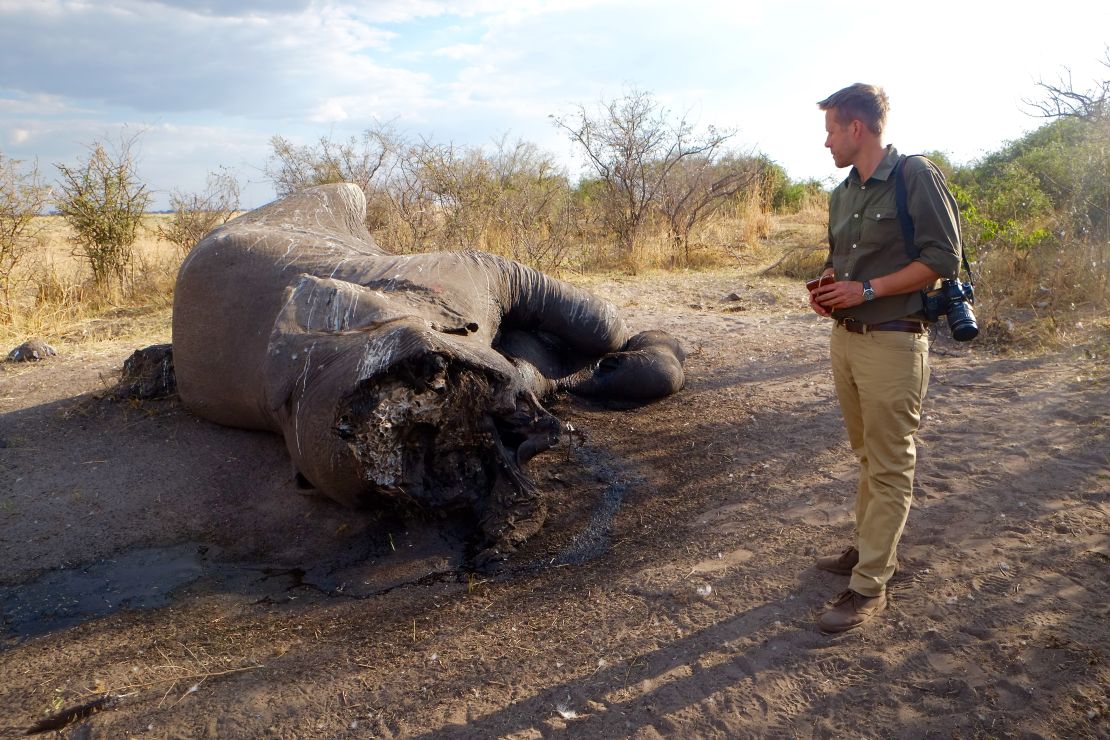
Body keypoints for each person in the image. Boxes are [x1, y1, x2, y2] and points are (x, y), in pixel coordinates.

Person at [808, 83, 961, 633]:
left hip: (896, 341)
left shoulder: (915, 175)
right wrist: (829, 286)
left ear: (857, 128)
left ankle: (869, 586)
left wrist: (868, 291)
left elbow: (943, 259)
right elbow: (840, 262)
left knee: (891, 463)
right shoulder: (842, 192)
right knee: (866, 455)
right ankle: (869, 548)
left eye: (830, 129)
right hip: (846, 340)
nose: (824, 141)